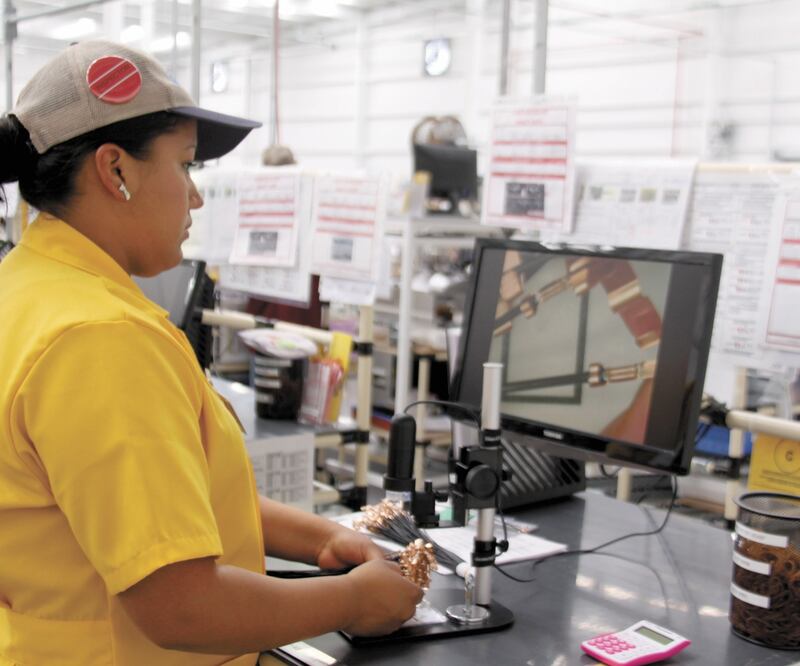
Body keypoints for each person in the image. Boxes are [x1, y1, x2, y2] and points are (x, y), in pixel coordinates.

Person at [0, 40, 421, 666]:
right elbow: (181, 606)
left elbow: (166, 508)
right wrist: (353, 601)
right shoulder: (101, 338)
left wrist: (327, 537)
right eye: (187, 166)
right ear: (116, 170)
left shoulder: (25, 288)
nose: (196, 199)